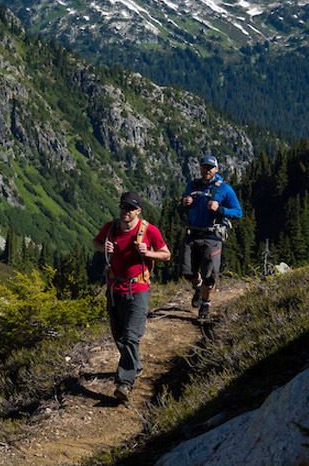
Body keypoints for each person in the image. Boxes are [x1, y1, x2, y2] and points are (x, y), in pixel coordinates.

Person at [93, 191, 170, 403]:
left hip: (138, 289)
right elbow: (95, 242)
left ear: (138, 211)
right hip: (114, 289)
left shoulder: (148, 231)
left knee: (131, 336)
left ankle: (124, 383)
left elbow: (166, 254)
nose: (125, 211)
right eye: (122, 206)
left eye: (129, 208)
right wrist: (103, 247)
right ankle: (135, 364)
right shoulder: (110, 228)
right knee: (118, 334)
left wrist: (148, 253)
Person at [179, 155, 243, 322]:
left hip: (212, 237)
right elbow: (188, 205)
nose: (206, 170)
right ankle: (198, 288)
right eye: (204, 167)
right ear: (200, 168)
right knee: (187, 271)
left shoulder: (225, 189)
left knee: (210, 275)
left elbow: (238, 212)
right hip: (192, 234)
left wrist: (220, 209)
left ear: (216, 169)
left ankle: (205, 305)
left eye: (210, 168)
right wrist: (185, 203)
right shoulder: (192, 186)